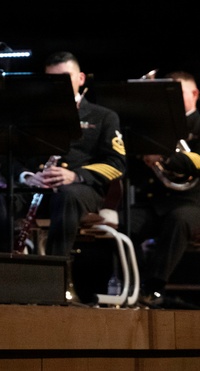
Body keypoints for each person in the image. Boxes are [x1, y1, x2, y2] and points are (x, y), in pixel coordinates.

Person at [18, 52, 125, 260]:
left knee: (67, 195)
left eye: (66, 77)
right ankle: (0, 274)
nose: (60, 84)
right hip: (36, 186)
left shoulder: (103, 116)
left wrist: (75, 176)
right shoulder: (31, 115)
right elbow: (11, 158)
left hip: (81, 190)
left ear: (81, 78)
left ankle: (54, 274)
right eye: (53, 79)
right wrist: (28, 177)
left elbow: (117, 163)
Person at [130, 71, 200, 309]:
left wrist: (166, 159)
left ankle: (153, 287)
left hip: (192, 203)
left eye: (178, 94)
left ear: (195, 94)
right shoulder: (157, 125)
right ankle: (134, 285)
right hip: (155, 203)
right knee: (124, 223)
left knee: (179, 221)